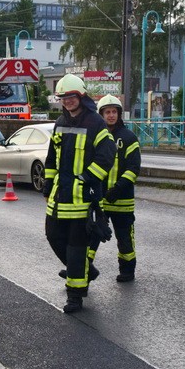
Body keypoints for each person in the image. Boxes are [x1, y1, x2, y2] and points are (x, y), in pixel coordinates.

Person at [43, 74, 116, 313]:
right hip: (59, 196)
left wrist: (86, 179)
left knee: (76, 248)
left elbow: (106, 156)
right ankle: (87, 271)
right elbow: (52, 157)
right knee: (53, 236)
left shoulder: (95, 122)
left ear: (81, 97)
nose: (67, 101)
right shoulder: (60, 121)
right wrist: (47, 182)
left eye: (71, 97)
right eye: (63, 97)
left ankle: (75, 296)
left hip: (82, 199)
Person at [90, 94, 141, 282]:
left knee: (125, 238)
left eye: (114, 112)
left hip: (122, 200)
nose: (111, 115)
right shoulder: (97, 136)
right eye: (107, 112)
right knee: (91, 237)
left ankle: (127, 271)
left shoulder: (129, 137)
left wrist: (118, 189)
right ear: (101, 114)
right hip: (99, 199)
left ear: (119, 114)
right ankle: (84, 269)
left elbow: (134, 168)